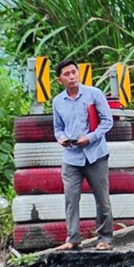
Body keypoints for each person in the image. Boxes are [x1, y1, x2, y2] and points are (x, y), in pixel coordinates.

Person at [51, 58, 115, 251]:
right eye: (66, 74)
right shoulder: (57, 101)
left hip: (95, 154)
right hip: (71, 156)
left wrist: (90, 137)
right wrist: (61, 138)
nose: (72, 77)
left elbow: (107, 121)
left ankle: (105, 238)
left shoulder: (94, 94)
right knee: (71, 198)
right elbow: (58, 127)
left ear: (79, 73)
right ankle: (73, 238)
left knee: (102, 197)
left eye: (74, 72)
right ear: (59, 80)